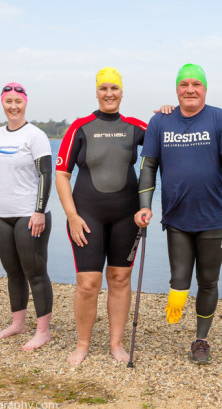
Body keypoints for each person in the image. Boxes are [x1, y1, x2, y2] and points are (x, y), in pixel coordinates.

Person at [134, 63, 222, 365]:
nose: (190, 89)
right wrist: (145, 206)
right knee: (179, 280)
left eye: (196, 84)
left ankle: (201, 339)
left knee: (208, 280)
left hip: (214, 219)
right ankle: (176, 312)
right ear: (177, 89)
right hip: (177, 218)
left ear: (205, 89)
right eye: (184, 85)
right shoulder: (160, 122)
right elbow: (148, 168)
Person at [55, 67, 147, 365]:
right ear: (96, 92)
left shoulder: (135, 127)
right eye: (104, 88)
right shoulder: (80, 128)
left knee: (120, 278)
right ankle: (82, 344)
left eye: (115, 89)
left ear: (122, 93)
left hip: (127, 217)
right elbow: (61, 173)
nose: (109, 94)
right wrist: (71, 216)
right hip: (86, 217)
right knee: (87, 282)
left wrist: (168, 114)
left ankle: (116, 344)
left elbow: (168, 143)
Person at [0, 82, 53, 351]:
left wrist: (39, 211)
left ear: (25, 103)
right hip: (2, 216)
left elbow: (46, 175)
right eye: (8, 101)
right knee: (12, 271)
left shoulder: (35, 136)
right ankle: (17, 324)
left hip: (29, 215)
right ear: (2, 104)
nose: (13, 106)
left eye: (18, 101)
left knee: (35, 273)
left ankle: (43, 330)